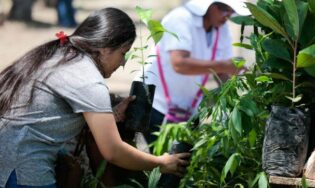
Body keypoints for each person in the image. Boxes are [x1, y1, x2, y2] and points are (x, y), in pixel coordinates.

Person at [0, 7, 189, 187]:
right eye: (123, 53)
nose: (123, 62)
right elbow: (113, 151)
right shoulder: (88, 79)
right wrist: (161, 162)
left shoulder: (63, 54)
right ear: (105, 47)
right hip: (21, 165)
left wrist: (111, 114)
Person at [135, 0, 250, 146]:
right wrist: (225, 66)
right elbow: (179, 63)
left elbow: (222, 72)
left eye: (231, 10)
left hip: (189, 106)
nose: (228, 15)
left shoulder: (222, 29)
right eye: (223, 8)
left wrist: (236, 101)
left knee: (184, 161)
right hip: (154, 101)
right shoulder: (180, 19)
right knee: (161, 162)